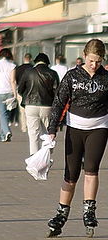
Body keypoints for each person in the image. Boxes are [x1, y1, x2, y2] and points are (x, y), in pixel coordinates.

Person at [46, 39, 108, 238]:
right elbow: (58, 102)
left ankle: (89, 210)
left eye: (98, 62)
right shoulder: (72, 76)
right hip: (75, 129)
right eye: (91, 60)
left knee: (91, 170)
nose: (94, 65)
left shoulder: (106, 78)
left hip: (98, 128)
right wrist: (52, 128)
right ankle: (61, 213)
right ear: (84, 56)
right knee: (70, 174)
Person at [18, 53, 59, 155]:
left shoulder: (28, 72)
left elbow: (20, 89)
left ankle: (34, 158)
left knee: (33, 134)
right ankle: (46, 156)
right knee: (49, 133)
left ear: (35, 62)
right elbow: (58, 92)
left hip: (30, 105)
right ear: (47, 63)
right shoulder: (53, 73)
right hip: (47, 106)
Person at [0, 48, 17, 142]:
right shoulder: (12, 66)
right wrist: (15, 94)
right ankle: (2, 136)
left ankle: (6, 132)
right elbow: (13, 81)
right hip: (9, 91)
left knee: (2, 114)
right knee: (6, 114)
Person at [16, 53, 33, 132]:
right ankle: (30, 125)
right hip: (31, 91)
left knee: (22, 111)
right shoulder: (33, 68)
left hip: (21, 91)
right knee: (30, 110)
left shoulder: (19, 68)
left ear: (24, 58)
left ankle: (24, 127)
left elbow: (15, 80)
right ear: (31, 59)